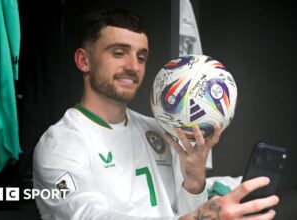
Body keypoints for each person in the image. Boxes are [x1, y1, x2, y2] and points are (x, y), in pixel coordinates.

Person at [33, 8, 279, 220]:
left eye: (141, 57)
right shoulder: (59, 146)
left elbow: (184, 212)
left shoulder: (161, 130)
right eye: (119, 53)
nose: (133, 66)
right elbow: (87, 215)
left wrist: (194, 181)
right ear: (84, 61)